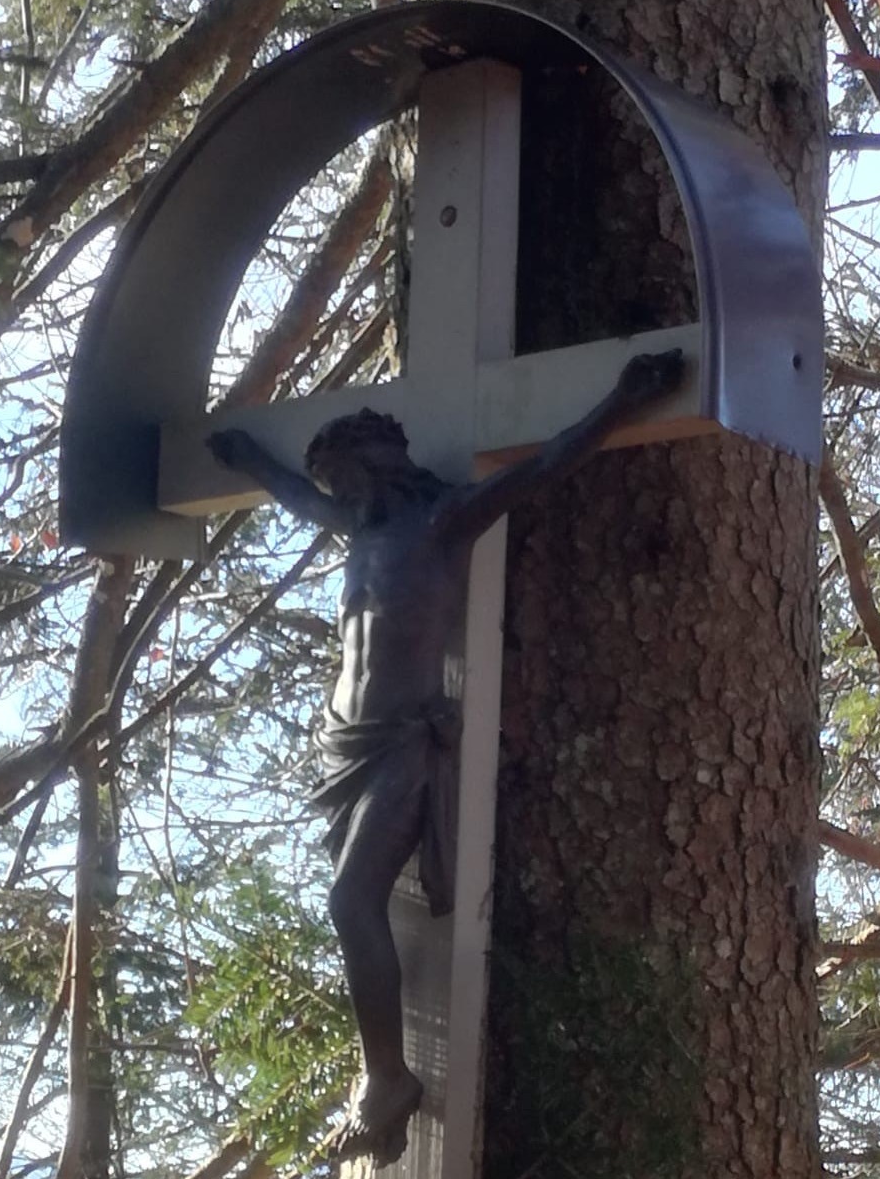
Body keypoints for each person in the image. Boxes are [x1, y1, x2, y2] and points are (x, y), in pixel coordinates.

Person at [207, 348, 684, 1165]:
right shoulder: (356, 526)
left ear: (377, 468)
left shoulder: (440, 520)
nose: (335, 498)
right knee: (350, 904)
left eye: (344, 481)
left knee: (351, 903)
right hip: (346, 748)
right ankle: (384, 1075)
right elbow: (291, 497)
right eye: (331, 487)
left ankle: (386, 1077)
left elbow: (544, 465)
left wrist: (621, 401)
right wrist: (249, 457)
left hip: (402, 742)